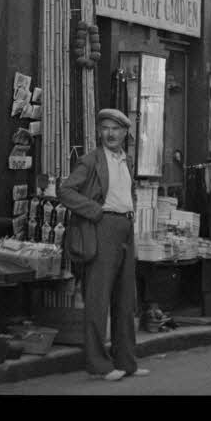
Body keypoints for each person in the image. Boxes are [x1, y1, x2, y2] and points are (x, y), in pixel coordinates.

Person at [58, 108, 151, 382]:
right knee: (98, 299)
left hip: (125, 227)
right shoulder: (90, 160)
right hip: (103, 227)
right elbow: (65, 190)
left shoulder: (126, 160)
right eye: (106, 128)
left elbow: (126, 192)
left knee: (125, 299)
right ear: (100, 132)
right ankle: (100, 364)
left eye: (116, 129)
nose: (110, 134)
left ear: (125, 133)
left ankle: (126, 362)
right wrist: (94, 211)